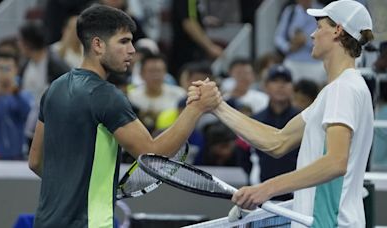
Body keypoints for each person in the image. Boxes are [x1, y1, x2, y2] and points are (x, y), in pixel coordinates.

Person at [28, 5, 221, 228]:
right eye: (123, 41)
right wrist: (195, 109)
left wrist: (72, 188)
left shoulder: (54, 89)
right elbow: (154, 154)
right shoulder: (106, 95)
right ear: (98, 44)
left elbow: (35, 162)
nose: (132, 50)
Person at [188, 0, 374, 227]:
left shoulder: (342, 89)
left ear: (338, 30)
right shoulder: (342, 89)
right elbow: (278, 141)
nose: (312, 35)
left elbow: (336, 162)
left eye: (319, 27)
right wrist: (218, 106)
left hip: (330, 223)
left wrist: (266, 189)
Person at [250, 64, 300, 201]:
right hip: (261, 192)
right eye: (275, 81)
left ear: (292, 87)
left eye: (285, 82)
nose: (280, 86)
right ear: (265, 86)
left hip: (296, 193)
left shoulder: (303, 119)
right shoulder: (255, 120)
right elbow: (244, 155)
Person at [0, 52, 32, 160]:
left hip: (18, 155)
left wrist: (16, 94)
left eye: (8, 69)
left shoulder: (24, 95)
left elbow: (30, 117)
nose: (4, 73)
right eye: (1, 68)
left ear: (16, 70)